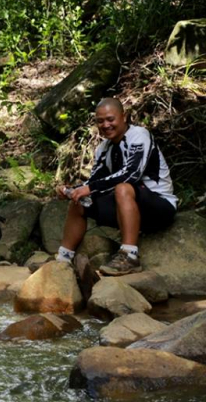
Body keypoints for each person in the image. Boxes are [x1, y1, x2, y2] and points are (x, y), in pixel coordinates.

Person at [56, 97, 177, 276]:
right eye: (100, 121)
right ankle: (63, 259)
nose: (106, 125)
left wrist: (89, 188)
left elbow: (131, 174)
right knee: (79, 200)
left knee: (123, 187)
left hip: (159, 206)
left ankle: (129, 256)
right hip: (128, 209)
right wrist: (73, 190)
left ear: (124, 117)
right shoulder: (103, 148)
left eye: (110, 119)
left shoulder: (139, 135)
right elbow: (94, 182)